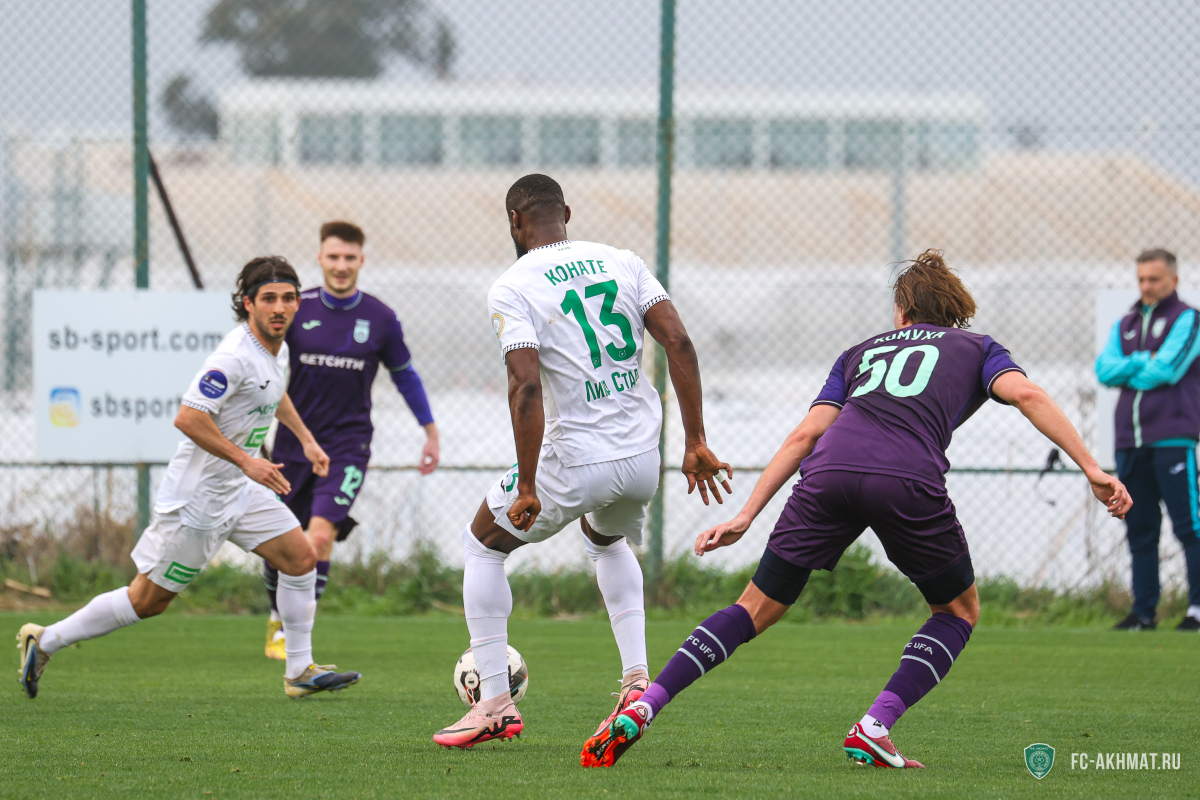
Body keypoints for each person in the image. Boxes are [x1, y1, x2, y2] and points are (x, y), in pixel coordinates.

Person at [581, 250, 1132, 769]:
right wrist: (1092, 468)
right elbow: (1028, 396)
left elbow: (805, 435)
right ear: (954, 311)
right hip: (906, 479)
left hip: (829, 473)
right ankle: (876, 724)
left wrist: (746, 514)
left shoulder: (860, 352)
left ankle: (645, 705)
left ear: (902, 311)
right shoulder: (979, 348)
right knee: (958, 612)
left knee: (752, 608)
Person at [431, 174, 732, 749]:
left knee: (483, 544)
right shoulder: (623, 261)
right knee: (606, 541)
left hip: (576, 457)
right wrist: (695, 441)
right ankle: (636, 680)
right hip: (642, 456)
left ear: (514, 222)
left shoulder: (512, 285)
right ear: (566, 213)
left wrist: (526, 484)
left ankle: (494, 703)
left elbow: (524, 386)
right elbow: (680, 343)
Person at [17, 256, 361, 700]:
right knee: (147, 600)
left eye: (288, 298)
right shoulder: (233, 357)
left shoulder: (277, 349)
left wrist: (306, 440)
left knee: (300, 559)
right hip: (197, 500)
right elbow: (188, 417)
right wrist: (247, 461)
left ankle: (299, 670)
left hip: (238, 490)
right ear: (248, 303)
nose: (280, 308)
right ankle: (45, 640)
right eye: (269, 298)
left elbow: (273, 394)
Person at [262, 221, 439, 659]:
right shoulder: (295, 308)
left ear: (361, 260)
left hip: (348, 446)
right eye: (333, 257)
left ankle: (295, 633)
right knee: (280, 541)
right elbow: (261, 368)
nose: (340, 266)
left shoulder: (380, 318)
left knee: (319, 537)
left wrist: (430, 431)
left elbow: (405, 376)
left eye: (348, 258)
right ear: (320, 258)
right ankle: (277, 616)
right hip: (293, 444)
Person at [1096, 248, 1200, 632]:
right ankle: (1143, 613)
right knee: (1139, 527)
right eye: (1141, 279)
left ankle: (1196, 610)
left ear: (1173, 279)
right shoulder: (1125, 323)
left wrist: (1133, 367)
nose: (1146, 286)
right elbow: (1104, 370)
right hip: (1129, 441)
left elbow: (1167, 370)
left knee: (1189, 526)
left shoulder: (1188, 318)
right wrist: (1143, 360)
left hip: (1172, 438)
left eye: (1154, 279)